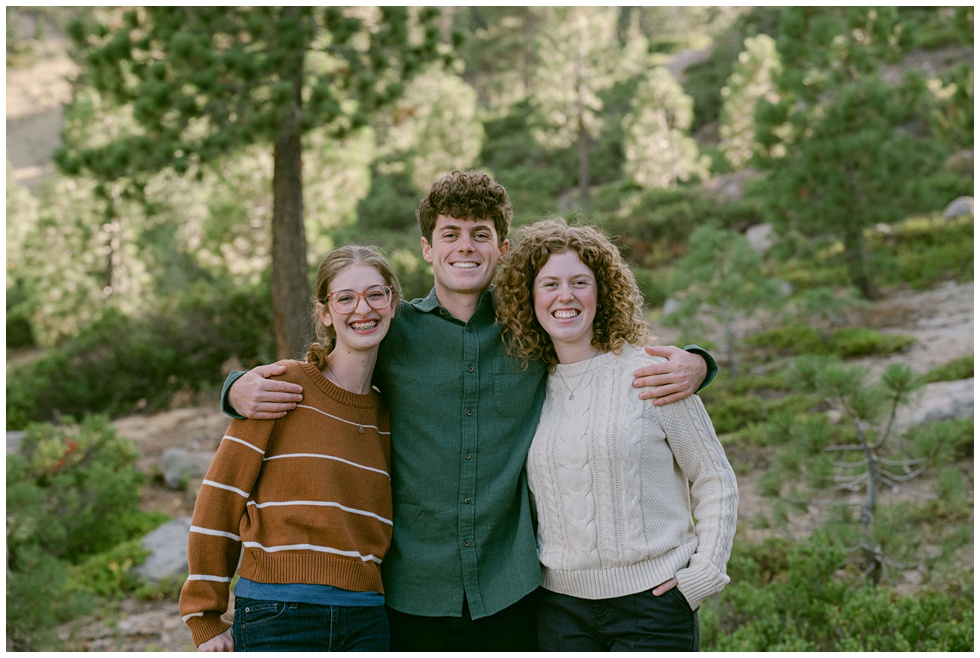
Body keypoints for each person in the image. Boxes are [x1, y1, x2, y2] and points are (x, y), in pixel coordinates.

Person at [221, 171, 718, 651]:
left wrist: (697, 363)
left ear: (502, 249)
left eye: (480, 234)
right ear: (426, 247)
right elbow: (329, 366)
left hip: (515, 590)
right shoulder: (392, 330)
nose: (465, 246)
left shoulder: (532, 326)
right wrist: (235, 387)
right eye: (450, 233)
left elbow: (600, 348)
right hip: (412, 590)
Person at [494, 217, 738, 652]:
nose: (564, 297)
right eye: (549, 284)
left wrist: (702, 575)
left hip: (654, 607)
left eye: (579, 282)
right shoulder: (526, 388)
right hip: (560, 612)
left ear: (601, 291)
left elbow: (715, 478)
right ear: (528, 297)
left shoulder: (653, 373)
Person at [179, 245, 402, 652]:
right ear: (324, 313)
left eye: (375, 294)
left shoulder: (390, 414)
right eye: (345, 298)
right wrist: (204, 617)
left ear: (392, 302)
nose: (362, 309)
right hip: (279, 614)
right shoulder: (282, 386)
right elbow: (220, 497)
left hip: (367, 618)